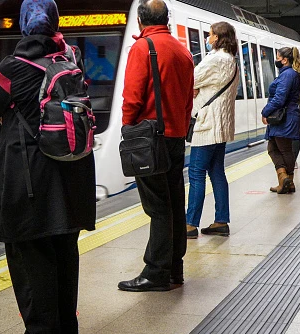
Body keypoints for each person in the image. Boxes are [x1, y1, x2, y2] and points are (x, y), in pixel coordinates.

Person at [0, 0, 96, 332]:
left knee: (32, 269)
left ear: (24, 24)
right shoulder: (70, 59)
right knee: (64, 260)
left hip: (28, 183)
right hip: (72, 178)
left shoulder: (11, 67)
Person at [119, 0, 194, 292]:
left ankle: (156, 272)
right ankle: (175, 268)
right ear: (167, 18)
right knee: (175, 203)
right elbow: (188, 99)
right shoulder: (183, 51)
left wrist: (128, 129)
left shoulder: (143, 48)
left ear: (140, 20)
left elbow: (133, 98)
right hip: (176, 137)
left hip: (150, 140)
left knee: (158, 208)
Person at [185, 22, 239, 239]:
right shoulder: (232, 61)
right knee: (216, 171)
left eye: (210, 35)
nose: (208, 38)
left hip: (207, 125)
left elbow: (189, 79)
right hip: (222, 125)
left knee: (196, 172)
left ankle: (190, 224)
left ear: (217, 38)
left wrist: (194, 88)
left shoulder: (215, 59)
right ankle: (221, 221)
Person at [262, 47, 300, 194]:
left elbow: (279, 98)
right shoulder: (289, 74)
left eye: (278, 57)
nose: (276, 60)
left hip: (284, 117)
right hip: (286, 116)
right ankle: (286, 181)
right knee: (275, 148)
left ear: (284, 60)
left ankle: (285, 179)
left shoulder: (287, 75)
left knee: (283, 149)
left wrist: (265, 112)